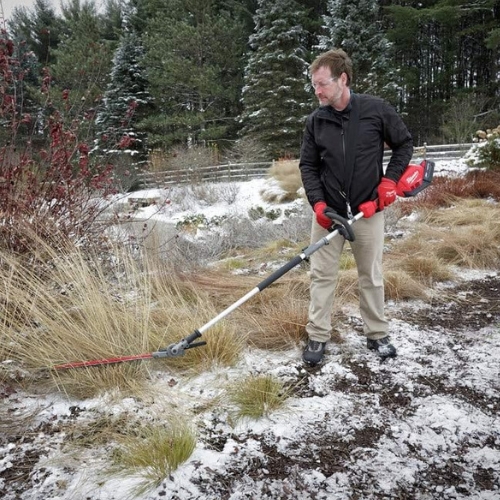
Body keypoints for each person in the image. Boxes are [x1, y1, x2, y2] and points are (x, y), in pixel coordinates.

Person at [299, 49, 413, 365]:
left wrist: (389, 181)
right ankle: (317, 335)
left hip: (368, 209)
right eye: (314, 85)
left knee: (371, 275)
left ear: (343, 79)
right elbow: (308, 166)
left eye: (322, 84)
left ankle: (377, 333)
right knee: (321, 276)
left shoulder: (376, 110)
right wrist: (318, 204)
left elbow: (404, 144)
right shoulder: (316, 121)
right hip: (329, 213)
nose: (317, 91)